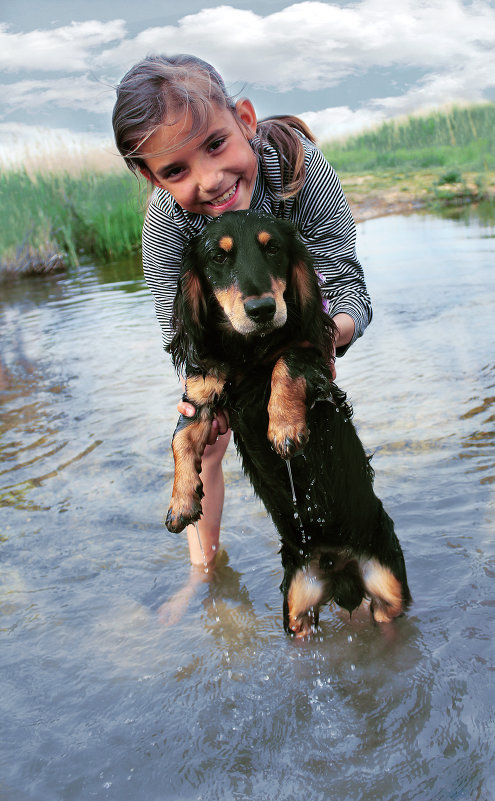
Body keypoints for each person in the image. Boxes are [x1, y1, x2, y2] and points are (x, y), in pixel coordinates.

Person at [112, 53, 372, 576]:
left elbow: (348, 289)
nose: (209, 181)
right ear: (150, 176)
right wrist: (209, 394)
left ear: (245, 120)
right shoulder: (169, 222)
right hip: (224, 335)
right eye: (176, 170)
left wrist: (325, 341)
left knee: (314, 417)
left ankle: (348, 551)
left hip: (297, 321)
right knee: (205, 435)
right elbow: (181, 330)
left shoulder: (301, 169)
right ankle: (203, 569)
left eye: (216, 144)